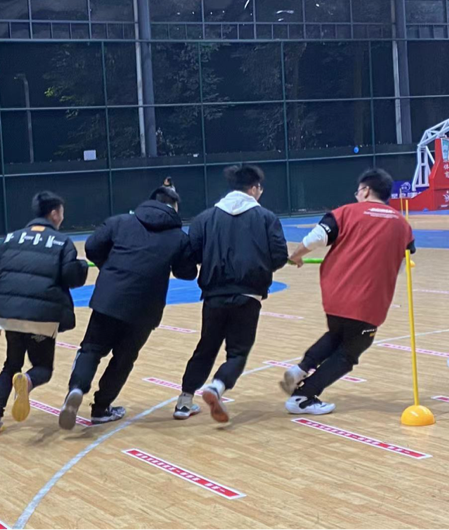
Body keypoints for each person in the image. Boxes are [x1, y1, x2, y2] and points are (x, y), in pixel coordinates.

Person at [58, 187, 197, 430]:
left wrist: (111, 266)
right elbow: (186, 272)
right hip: (145, 308)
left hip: (109, 297)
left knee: (91, 349)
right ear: (175, 208)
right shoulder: (178, 237)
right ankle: (101, 408)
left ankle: (77, 388)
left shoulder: (120, 222)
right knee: (123, 359)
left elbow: (92, 247)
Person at [280, 169, 415, 415]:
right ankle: (302, 397)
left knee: (337, 334)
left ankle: (301, 369)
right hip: (369, 301)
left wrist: (296, 256)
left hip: (336, 294)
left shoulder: (344, 213)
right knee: (349, 353)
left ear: (365, 190)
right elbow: (405, 257)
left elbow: (315, 238)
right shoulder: (402, 224)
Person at [174, 165, 288, 423]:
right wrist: (259, 267)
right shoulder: (266, 217)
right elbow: (279, 256)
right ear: (255, 188)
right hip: (248, 295)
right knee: (237, 352)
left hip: (213, 295)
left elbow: (192, 255)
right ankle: (218, 386)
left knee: (205, 348)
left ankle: (184, 402)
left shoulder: (204, 218)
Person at [0, 192, 89, 439]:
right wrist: (81, 267)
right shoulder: (62, 242)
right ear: (54, 213)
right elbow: (71, 277)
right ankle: (28, 381)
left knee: (11, 365)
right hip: (42, 316)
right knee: (42, 368)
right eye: (61, 213)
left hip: (9, 315)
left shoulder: (10, 238)